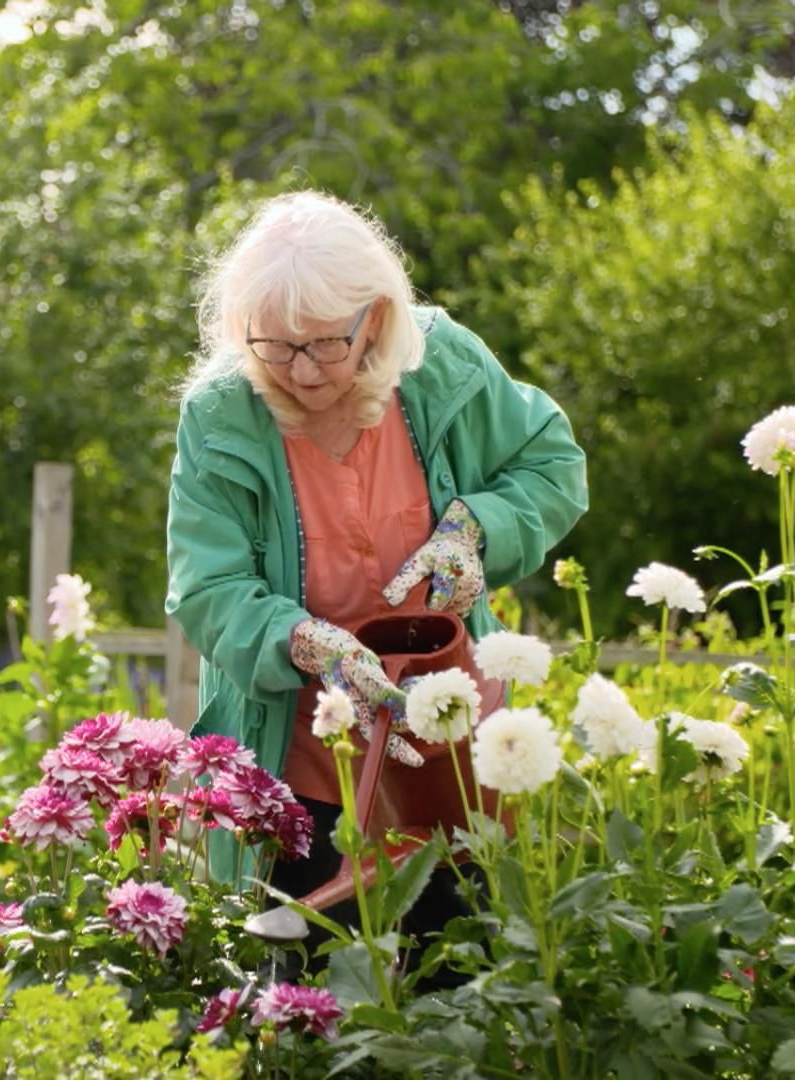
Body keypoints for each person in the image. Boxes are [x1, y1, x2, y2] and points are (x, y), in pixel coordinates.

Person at [164, 190, 589, 933]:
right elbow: (208, 587)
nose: (300, 370)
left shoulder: (439, 363)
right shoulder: (219, 413)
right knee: (307, 995)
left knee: (456, 981)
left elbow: (551, 466)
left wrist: (474, 533)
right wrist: (305, 643)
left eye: (325, 343)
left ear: (376, 321)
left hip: (449, 749)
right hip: (298, 756)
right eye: (275, 346)